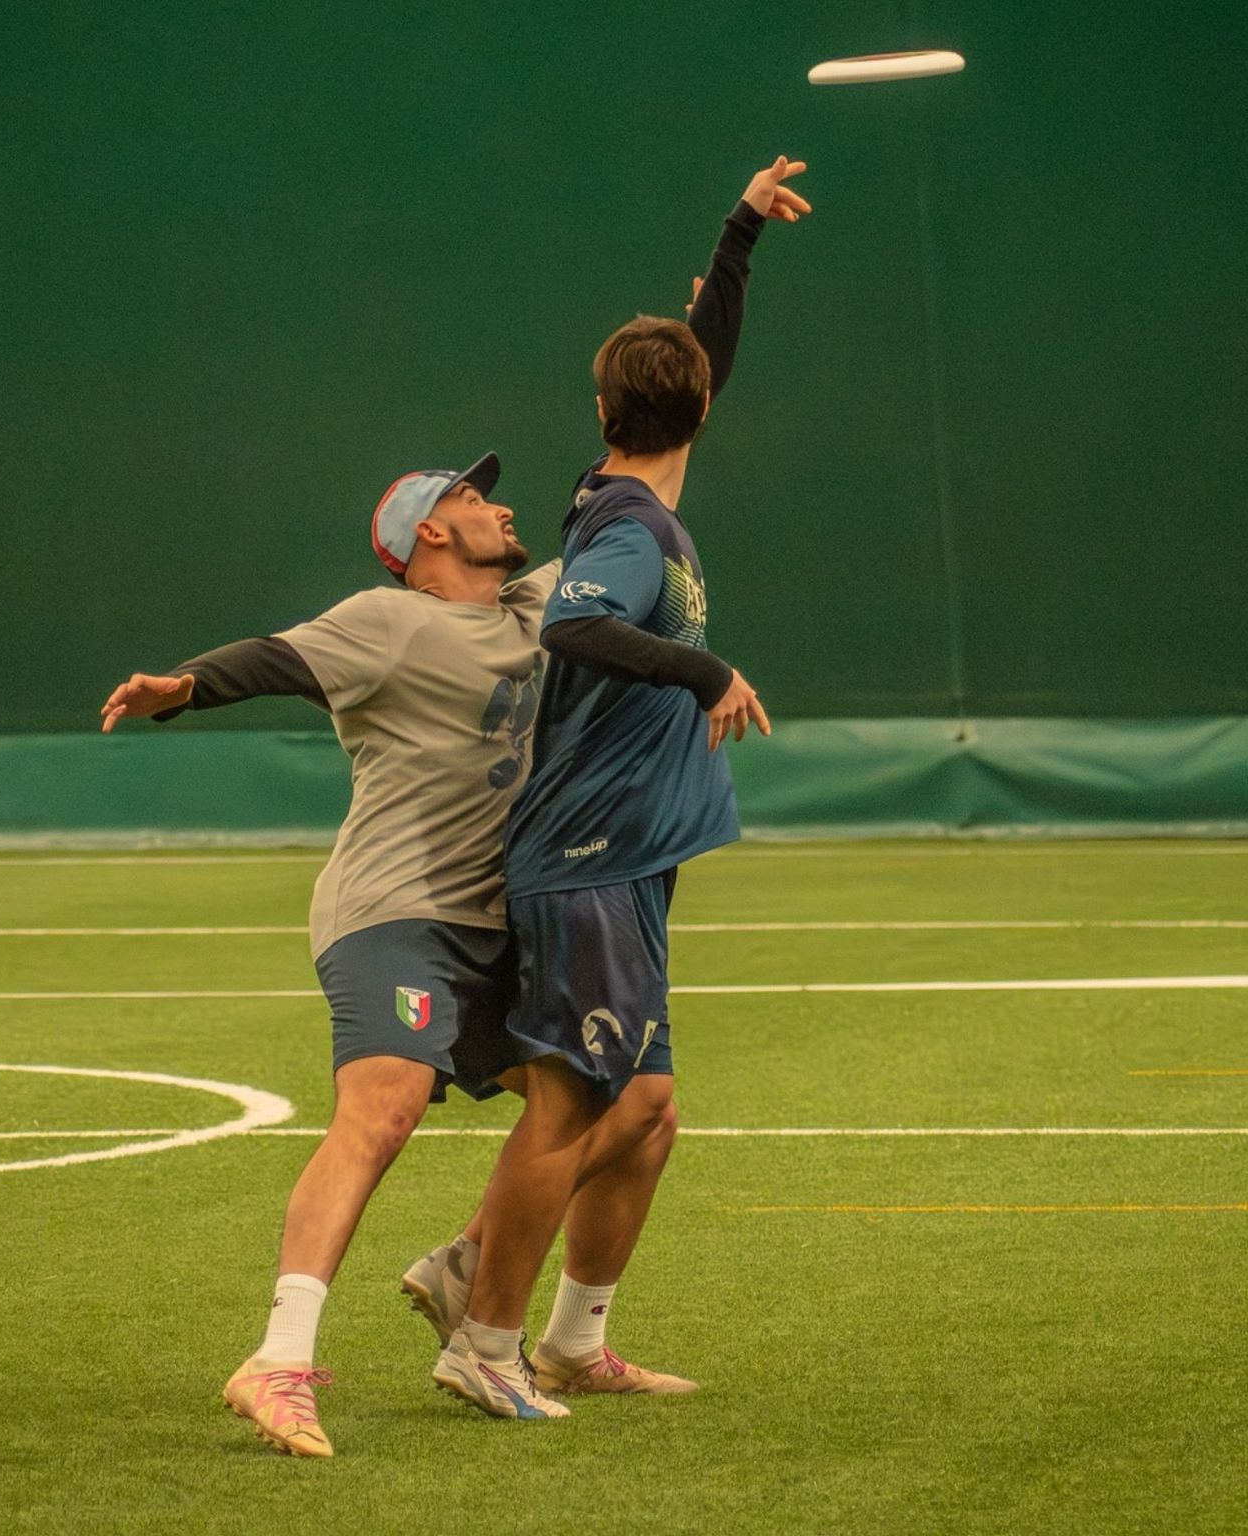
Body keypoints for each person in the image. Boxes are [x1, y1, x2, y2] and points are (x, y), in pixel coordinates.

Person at [98, 456, 677, 1453]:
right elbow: (273, 658)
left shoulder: (545, 604)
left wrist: (707, 344)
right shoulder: (387, 620)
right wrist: (184, 688)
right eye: (469, 499)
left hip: (509, 919)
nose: (499, 505)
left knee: (636, 1105)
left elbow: (653, 487)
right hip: (396, 910)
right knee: (386, 1103)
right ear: (430, 536)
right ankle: (277, 1361)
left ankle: (539, 1318)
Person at [423, 155, 809, 1419]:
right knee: (579, 1104)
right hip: (584, 852)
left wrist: (739, 237)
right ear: (689, 413)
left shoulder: (640, 483)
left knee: (647, 1112)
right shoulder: (632, 533)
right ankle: (479, 1331)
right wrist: (703, 671)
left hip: (629, 856)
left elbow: (694, 368)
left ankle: (571, 1339)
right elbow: (577, 630)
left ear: (610, 408)